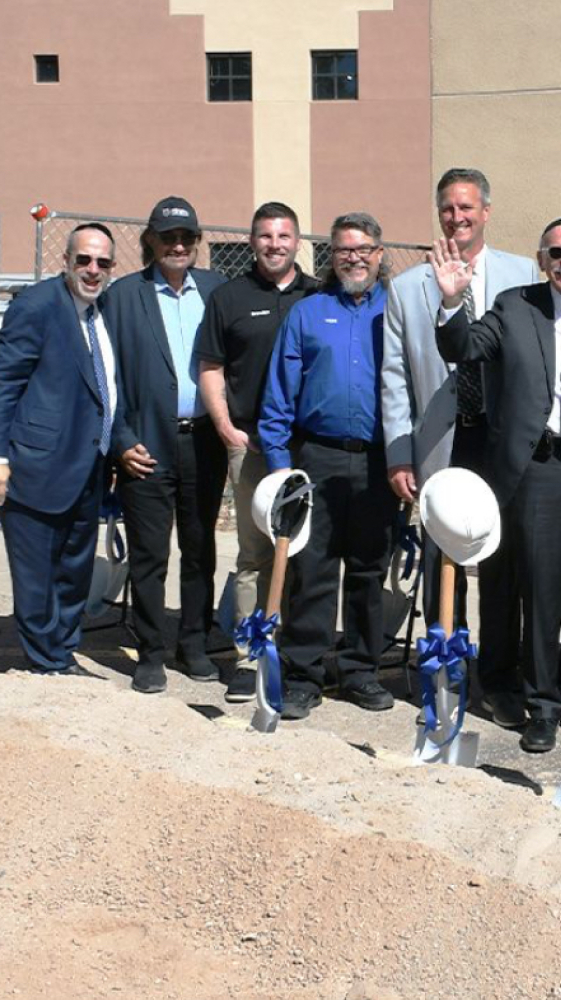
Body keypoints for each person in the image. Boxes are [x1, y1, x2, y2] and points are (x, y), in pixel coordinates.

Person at [433, 217, 561, 753]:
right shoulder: (512, 305)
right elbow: (462, 347)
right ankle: (544, 706)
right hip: (540, 470)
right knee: (541, 592)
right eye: (555, 253)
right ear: (542, 259)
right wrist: (452, 303)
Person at [380, 167, 538, 728]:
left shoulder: (524, 277)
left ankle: (498, 679)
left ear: (487, 212)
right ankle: (445, 670)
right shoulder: (406, 288)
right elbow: (395, 377)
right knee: (441, 558)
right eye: (447, 208)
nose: (457, 217)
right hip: (441, 443)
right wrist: (400, 452)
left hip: (504, 446)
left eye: (467, 207)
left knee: (500, 567)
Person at [259, 212, 400, 720]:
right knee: (312, 569)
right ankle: (303, 673)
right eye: (343, 250)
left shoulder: (398, 311)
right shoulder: (308, 313)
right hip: (316, 456)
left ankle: (361, 670)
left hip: (381, 460)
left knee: (368, 569)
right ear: (330, 257)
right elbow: (278, 396)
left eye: (364, 249)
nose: (354, 258)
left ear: (379, 255)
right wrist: (281, 469)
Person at [0, 223, 121, 675]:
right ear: (66, 261)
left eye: (102, 262)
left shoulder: (104, 312)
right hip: (35, 465)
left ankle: (61, 649)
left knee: (74, 569)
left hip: (89, 467)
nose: (93, 270)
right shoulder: (37, 306)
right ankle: (46, 661)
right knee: (37, 574)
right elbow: (3, 383)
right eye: (84, 260)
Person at [103, 197, 227, 695]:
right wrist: (119, 440)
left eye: (186, 238)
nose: (178, 245)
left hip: (203, 443)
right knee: (150, 554)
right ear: (150, 242)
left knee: (200, 551)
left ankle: (193, 645)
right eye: (167, 237)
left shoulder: (219, 291)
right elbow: (103, 375)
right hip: (145, 446)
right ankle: (151, 652)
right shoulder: (122, 296)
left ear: (197, 243)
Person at [196, 201, 318, 703]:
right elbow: (210, 365)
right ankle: (251, 653)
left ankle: (299, 656)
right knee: (254, 552)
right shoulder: (229, 297)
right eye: (265, 236)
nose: (274, 244)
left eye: (283, 236)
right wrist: (225, 427)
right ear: (252, 242)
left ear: (297, 243)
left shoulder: (319, 295)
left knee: (310, 555)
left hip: (309, 447)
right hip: (250, 445)